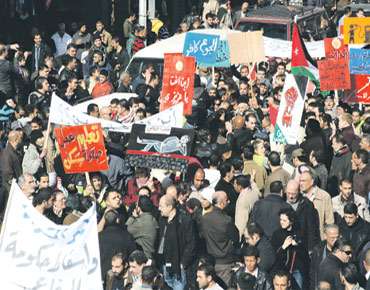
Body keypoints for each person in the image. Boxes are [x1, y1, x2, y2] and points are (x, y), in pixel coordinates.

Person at [157, 195, 195, 290]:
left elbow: (191, 244)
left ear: (170, 207)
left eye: (161, 206)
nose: (159, 208)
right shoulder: (162, 220)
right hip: (165, 265)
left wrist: (183, 263)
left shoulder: (185, 220)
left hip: (179, 267)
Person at [201, 191, 239, 286]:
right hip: (225, 262)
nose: (229, 202)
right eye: (227, 200)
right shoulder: (226, 220)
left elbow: (201, 237)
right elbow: (236, 238)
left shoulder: (204, 219)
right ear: (222, 203)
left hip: (210, 261)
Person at [271, 208, 310, 289]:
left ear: (291, 221)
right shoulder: (277, 234)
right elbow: (274, 255)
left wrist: (298, 246)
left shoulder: (299, 233)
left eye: (284, 220)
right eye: (281, 219)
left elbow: (305, 256)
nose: (281, 222)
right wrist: (283, 247)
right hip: (282, 270)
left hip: (296, 270)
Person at [285, 179, 321, 253]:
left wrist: (311, 249)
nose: (290, 196)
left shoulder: (307, 205)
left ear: (299, 191)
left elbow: (311, 228)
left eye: (293, 194)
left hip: (302, 245)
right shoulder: (281, 203)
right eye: (288, 193)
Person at [99, 209, 136, 277]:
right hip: (120, 275)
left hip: (102, 274)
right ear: (117, 220)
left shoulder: (98, 237)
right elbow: (133, 255)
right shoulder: (127, 236)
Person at [299, 171, 334, 240]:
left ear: (312, 182)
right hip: (302, 240)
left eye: (303, 181)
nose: (300, 184)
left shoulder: (324, 196)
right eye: (300, 181)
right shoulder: (299, 196)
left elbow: (330, 221)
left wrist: (325, 239)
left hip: (319, 239)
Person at [310, 224, 340, 290]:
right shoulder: (318, 250)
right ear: (325, 236)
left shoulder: (343, 250)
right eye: (332, 238)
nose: (335, 240)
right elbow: (313, 272)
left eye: (337, 237)